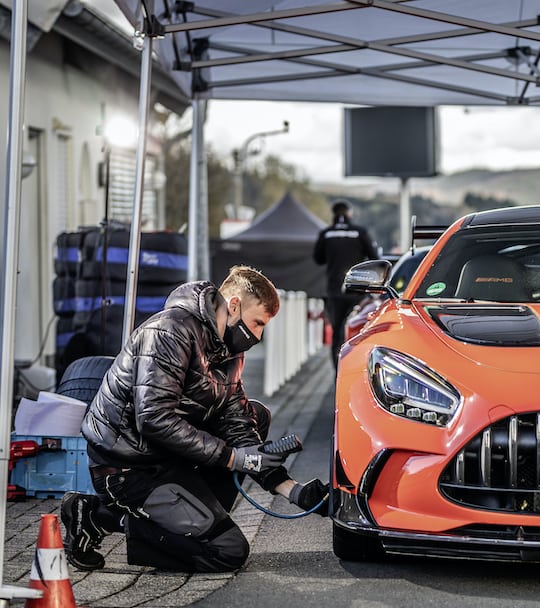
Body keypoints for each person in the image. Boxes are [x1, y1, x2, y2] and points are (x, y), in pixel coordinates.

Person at [61, 265, 329, 573]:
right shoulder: (169, 331)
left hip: (170, 456)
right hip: (128, 466)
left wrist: (292, 490)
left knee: (256, 415)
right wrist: (232, 458)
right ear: (234, 305)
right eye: (257, 323)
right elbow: (153, 417)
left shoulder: (228, 348)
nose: (258, 335)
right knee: (226, 551)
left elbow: (236, 420)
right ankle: (95, 515)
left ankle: (196, 519)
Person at [313, 200, 380, 368]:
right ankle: (357, 366)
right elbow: (374, 257)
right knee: (359, 330)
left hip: (335, 291)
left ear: (334, 214)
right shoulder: (360, 232)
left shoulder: (326, 233)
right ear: (349, 214)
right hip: (357, 290)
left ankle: (338, 371)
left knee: (337, 332)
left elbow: (318, 258)